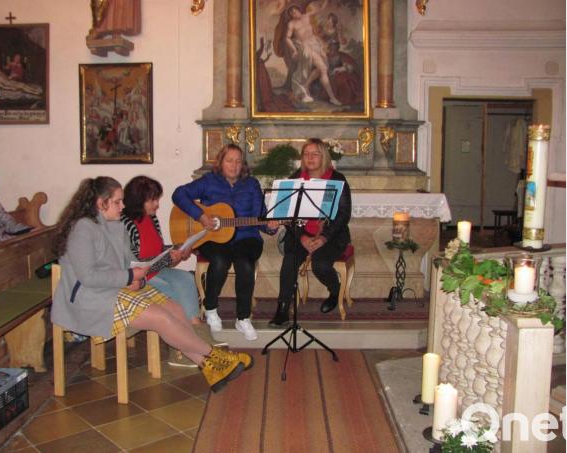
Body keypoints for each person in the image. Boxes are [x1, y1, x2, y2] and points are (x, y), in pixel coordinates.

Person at [51, 176, 253, 392]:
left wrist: (136, 276)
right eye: (118, 202)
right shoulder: (83, 228)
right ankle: (215, 355)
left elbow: (128, 261)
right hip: (90, 299)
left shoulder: (115, 225)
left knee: (175, 309)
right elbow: (88, 277)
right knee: (161, 318)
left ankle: (209, 367)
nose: (123, 206)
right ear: (101, 203)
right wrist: (130, 277)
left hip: (114, 288)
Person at [121, 176, 226, 368]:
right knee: (170, 291)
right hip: (139, 278)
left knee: (186, 279)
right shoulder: (126, 224)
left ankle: (197, 331)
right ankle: (179, 351)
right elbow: (134, 264)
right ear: (138, 199)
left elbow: (158, 249)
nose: (157, 205)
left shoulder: (151, 218)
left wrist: (178, 249)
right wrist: (169, 258)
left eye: (157, 199)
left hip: (155, 271)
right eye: (152, 200)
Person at [172, 144, 275, 341]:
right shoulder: (209, 181)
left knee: (245, 263)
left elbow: (260, 217)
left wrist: (271, 225)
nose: (234, 165)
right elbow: (179, 194)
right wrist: (201, 216)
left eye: (238, 161)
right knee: (220, 261)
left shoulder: (251, 184)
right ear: (220, 161)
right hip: (213, 237)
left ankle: (243, 317)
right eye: (229, 160)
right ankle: (210, 308)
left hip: (247, 236)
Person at [268, 138, 352, 327]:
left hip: (331, 235)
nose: (310, 158)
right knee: (290, 261)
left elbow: (343, 214)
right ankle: (282, 308)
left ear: (324, 156)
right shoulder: (295, 178)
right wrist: (303, 237)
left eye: (315, 154)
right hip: (300, 234)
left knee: (320, 265)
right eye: (306, 154)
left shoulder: (337, 179)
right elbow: (287, 213)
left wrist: (324, 237)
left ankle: (335, 290)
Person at [279, 1, 341, 106]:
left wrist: (325, 2)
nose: (294, 14)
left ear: (299, 10)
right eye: (292, 13)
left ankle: (306, 85)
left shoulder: (307, 16)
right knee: (323, 68)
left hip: (316, 44)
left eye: (295, 11)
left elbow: (321, 8)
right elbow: (287, 38)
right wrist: (294, 49)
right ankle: (332, 98)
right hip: (306, 46)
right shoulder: (291, 24)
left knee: (323, 68)